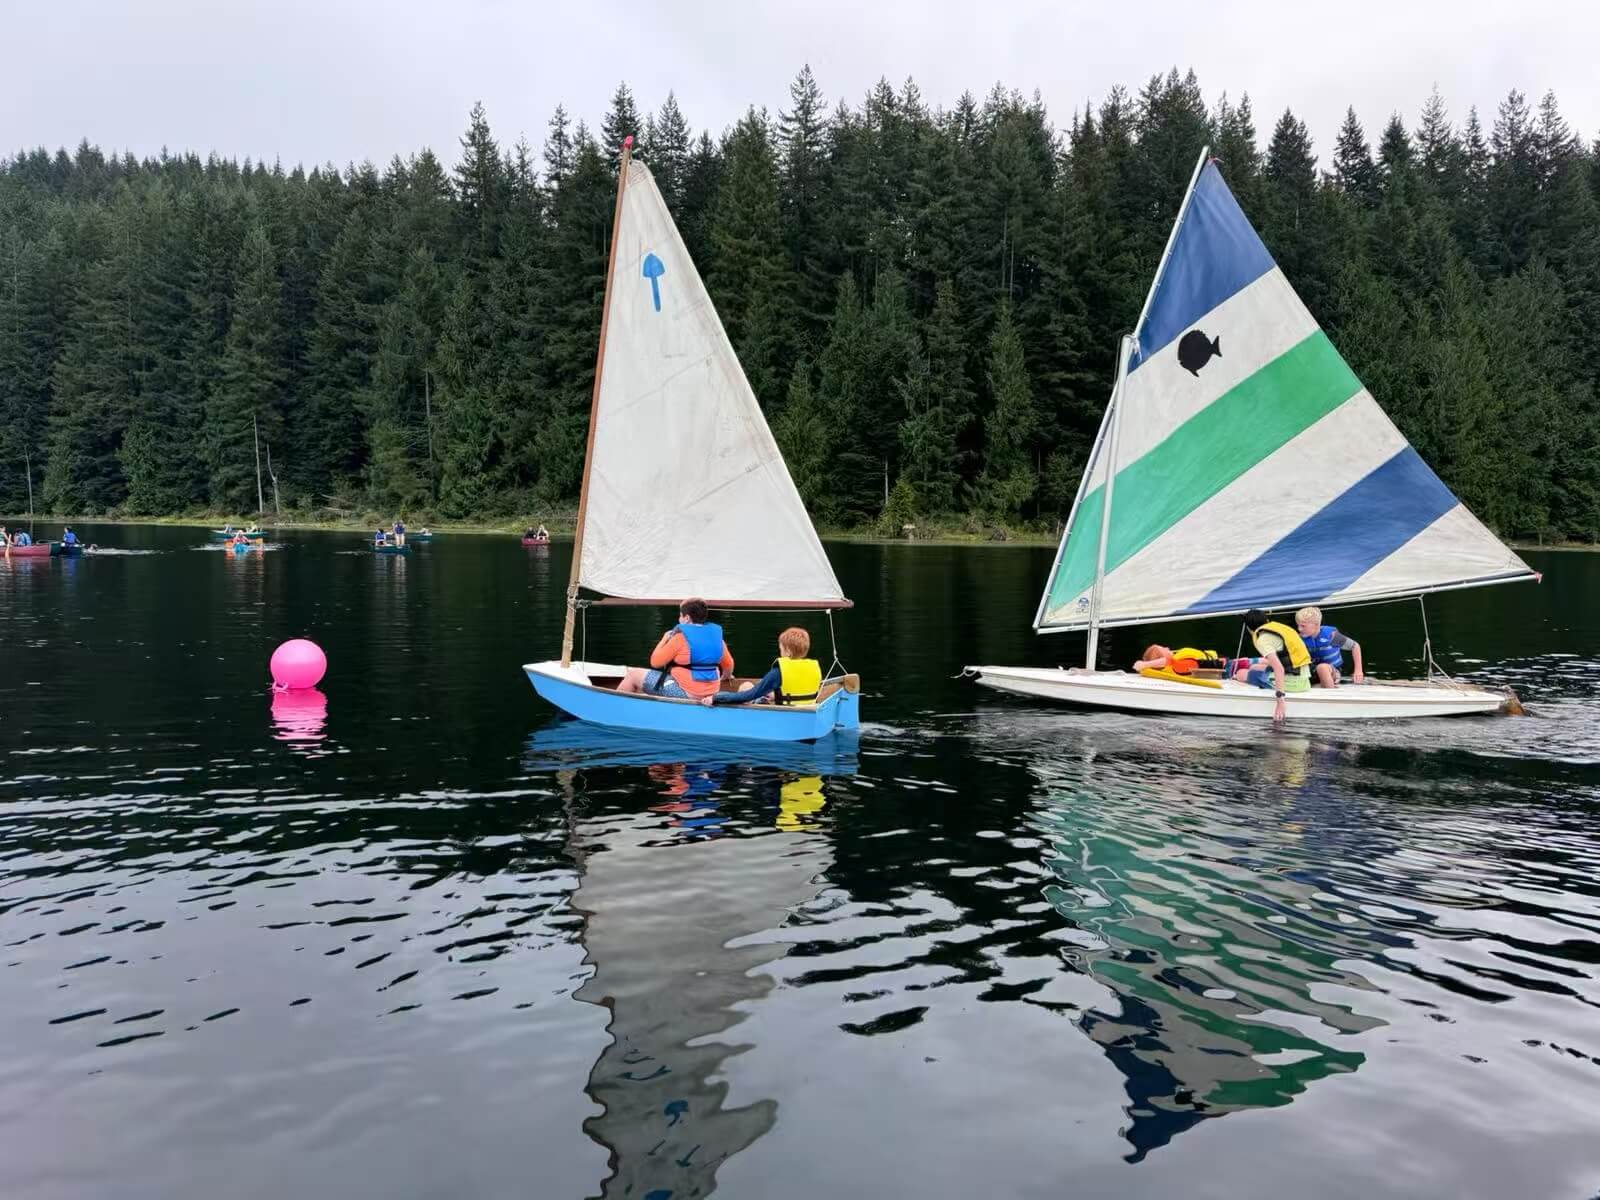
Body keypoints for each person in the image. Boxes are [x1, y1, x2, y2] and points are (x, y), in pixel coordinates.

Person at [616, 597, 733, 700]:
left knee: (633, 675)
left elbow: (655, 662)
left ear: (686, 618)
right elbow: (728, 666)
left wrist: (664, 639)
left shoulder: (680, 638)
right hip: (712, 693)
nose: (679, 619)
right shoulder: (717, 640)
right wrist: (725, 677)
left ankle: (614, 709)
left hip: (687, 693)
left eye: (680, 615)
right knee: (651, 683)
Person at [704, 627, 823, 707]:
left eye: (781, 647)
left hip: (785, 714)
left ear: (787, 650)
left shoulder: (779, 672)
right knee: (756, 689)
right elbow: (797, 689)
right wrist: (775, 695)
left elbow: (748, 696)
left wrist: (716, 698)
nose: (780, 649)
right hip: (805, 711)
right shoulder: (814, 667)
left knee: (745, 687)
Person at [1233, 608, 1312, 723]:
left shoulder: (1262, 639)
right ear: (1267, 620)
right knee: (1254, 667)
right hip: (1304, 678)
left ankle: (1250, 678)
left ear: (1249, 628)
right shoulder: (1280, 628)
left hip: (1294, 683)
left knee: (1240, 674)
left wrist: (1280, 701)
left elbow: (1279, 668)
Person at [1295, 606, 1364, 688]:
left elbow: (1355, 646)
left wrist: (1358, 671)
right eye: (1298, 625)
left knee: (1322, 668)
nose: (1299, 629)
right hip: (1311, 672)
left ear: (1316, 625)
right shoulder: (1298, 639)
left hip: (1332, 671)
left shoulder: (1331, 635)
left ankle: (1330, 693)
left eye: (1303, 626)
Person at [1130, 645, 1227, 676]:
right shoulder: (1175, 664)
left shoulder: (1177, 660)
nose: (1167, 647)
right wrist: (1145, 664)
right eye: (1164, 649)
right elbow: (1166, 661)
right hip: (1227, 668)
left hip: (1226, 663)